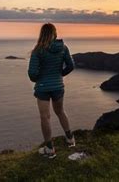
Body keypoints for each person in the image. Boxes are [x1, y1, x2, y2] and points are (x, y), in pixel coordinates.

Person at [28, 23, 75, 159]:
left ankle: (49, 149)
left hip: (43, 88)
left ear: (42, 34)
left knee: (45, 117)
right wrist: (59, 75)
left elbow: (32, 74)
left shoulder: (38, 50)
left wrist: (40, 78)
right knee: (60, 111)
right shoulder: (63, 48)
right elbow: (71, 66)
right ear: (55, 33)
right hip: (58, 86)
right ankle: (70, 139)